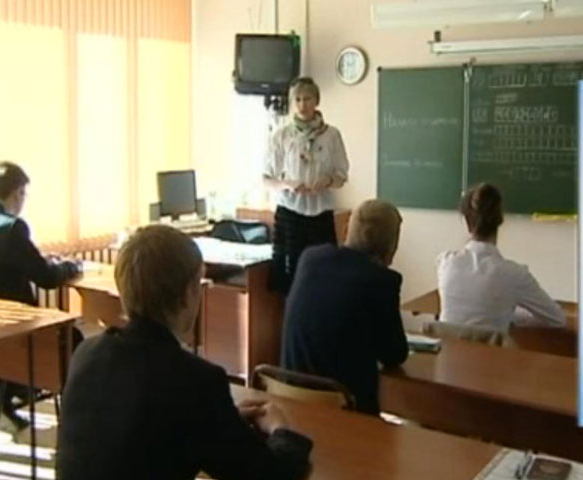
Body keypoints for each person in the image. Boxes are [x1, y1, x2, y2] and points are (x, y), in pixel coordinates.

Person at [56, 225, 312, 480]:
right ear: (189, 293)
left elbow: (138, 429)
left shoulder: (85, 353)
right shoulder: (196, 381)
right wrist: (280, 429)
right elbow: (271, 475)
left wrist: (222, 419)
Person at [0, 161, 81, 433]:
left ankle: (2, 389)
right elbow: (47, 278)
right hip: (3, 332)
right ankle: (2, 389)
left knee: (46, 343)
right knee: (72, 341)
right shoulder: (12, 228)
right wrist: (71, 267)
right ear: (18, 193)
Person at [281, 200, 408, 415]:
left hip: (291, 404)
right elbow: (394, 355)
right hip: (345, 413)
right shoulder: (382, 282)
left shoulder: (310, 258)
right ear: (391, 248)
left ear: (346, 230)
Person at [437, 182, 566, 332]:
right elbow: (558, 319)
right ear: (500, 219)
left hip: (448, 347)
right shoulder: (515, 274)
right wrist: (510, 315)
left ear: (466, 222)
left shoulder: (445, 263)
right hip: (492, 348)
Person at [263, 77, 349, 294]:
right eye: (298, 99)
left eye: (308, 99)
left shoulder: (331, 135)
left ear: (316, 101)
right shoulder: (281, 135)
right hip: (290, 213)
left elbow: (341, 176)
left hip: (320, 214)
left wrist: (327, 181)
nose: (303, 105)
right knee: (290, 280)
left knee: (324, 277)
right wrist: (287, 184)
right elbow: (266, 179)